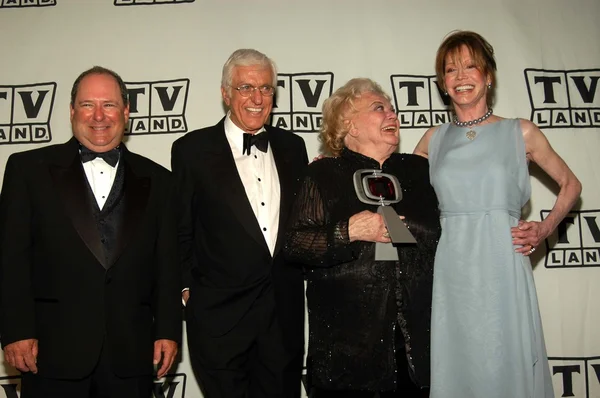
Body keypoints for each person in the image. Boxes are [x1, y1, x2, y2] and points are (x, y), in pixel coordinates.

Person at [414, 30, 582, 398]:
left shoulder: (519, 132)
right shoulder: (432, 140)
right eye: (451, 70)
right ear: (443, 83)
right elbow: (400, 198)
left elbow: (571, 184)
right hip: (452, 268)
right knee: (458, 362)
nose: (461, 77)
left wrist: (543, 228)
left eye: (470, 66)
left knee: (506, 358)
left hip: (502, 262)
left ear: (488, 75)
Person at [0, 66, 181, 398]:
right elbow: (11, 259)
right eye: (87, 104)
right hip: (51, 353)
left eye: (109, 105)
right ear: (71, 111)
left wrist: (167, 330)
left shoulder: (160, 180)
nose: (99, 115)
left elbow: (166, 264)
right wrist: (15, 331)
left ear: (126, 111)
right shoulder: (27, 170)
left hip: (130, 353)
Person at [285, 78, 440, 398]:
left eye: (393, 109)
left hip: (418, 345)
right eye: (379, 108)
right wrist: (349, 231)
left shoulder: (420, 172)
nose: (393, 115)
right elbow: (295, 243)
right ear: (349, 125)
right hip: (347, 351)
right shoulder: (323, 174)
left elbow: (447, 238)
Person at [171, 49, 308, 398]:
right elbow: (181, 228)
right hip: (219, 320)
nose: (257, 98)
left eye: (265, 89)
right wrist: (188, 291)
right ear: (225, 93)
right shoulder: (191, 150)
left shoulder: (294, 147)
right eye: (246, 87)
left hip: (283, 317)